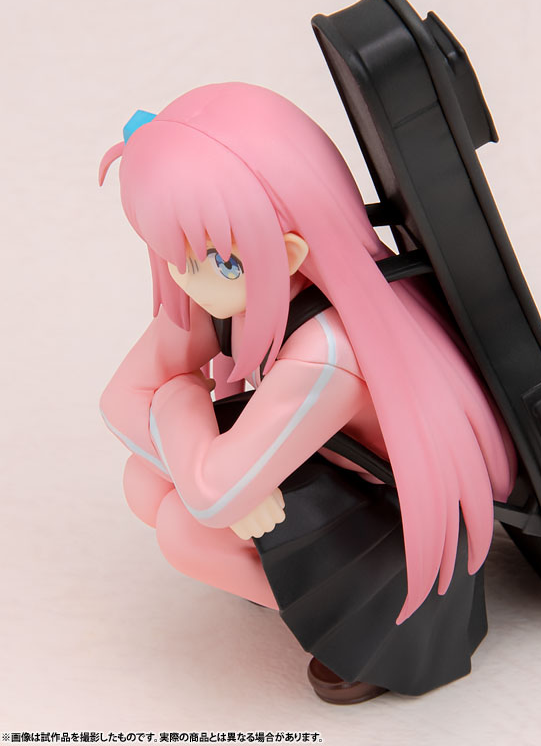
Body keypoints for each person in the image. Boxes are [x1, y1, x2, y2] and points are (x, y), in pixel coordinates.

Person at [99, 82, 517, 702]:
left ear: (289, 250)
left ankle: (347, 627)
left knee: (185, 531)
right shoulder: (221, 290)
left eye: (215, 260)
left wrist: (175, 401)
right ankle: (285, 570)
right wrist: (211, 474)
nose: (187, 280)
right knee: (145, 483)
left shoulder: (330, 350)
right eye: (172, 254)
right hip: (326, 466)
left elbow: (206, 488)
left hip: (397, 539)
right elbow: (118, 401)